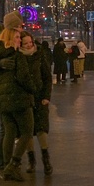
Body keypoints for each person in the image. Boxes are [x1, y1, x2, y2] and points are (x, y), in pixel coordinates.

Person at [0, 12, 40, 181]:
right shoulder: (15, 54)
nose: (20, 38)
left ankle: (7, 166)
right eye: (18, 34)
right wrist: (34, 90)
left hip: (1, 99)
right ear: (12, 32)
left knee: (9, 131)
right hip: (19, 99)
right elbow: (24, 78)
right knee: (27, 131)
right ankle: (13, 165)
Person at [24, 31, 54, 175]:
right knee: (27, 131)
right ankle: (31, 160)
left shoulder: (40, 56)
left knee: (41, 129)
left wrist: (46, 97)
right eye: (26, 43)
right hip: (25, 100)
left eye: (30, 42)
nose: (29, 45)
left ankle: (46, 160)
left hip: (40, 98)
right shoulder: (19, 57)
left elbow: (47, 78)